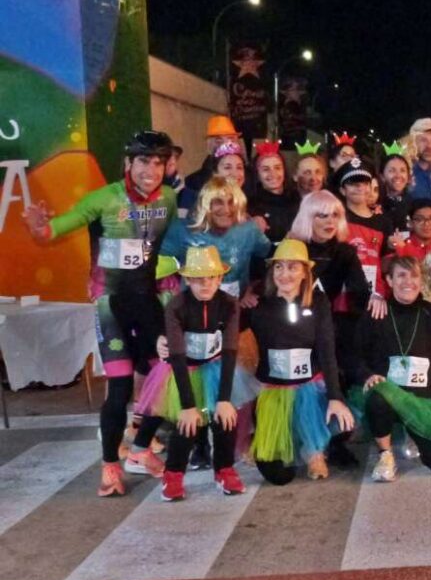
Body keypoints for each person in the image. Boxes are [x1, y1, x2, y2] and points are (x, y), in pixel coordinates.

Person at [22, 130, 178, 496]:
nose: (151, 170)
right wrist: (41, 228)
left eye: (158, 163)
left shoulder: (169, 199)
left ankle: (140, 450)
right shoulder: (104, 198)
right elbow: (58, 227)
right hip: (111, 304)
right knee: (120, 387)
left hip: (147, 301)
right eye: (144, 162)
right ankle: (110, 466)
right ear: (128, 163)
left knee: (166, 377)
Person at [135, 247, 256, 500]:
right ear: (188, 279)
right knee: (186, 424)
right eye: (198, 278)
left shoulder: (229, 304)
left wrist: (224, 399)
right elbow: (177, 354)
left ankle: (224, 469)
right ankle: (173, 474)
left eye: (211, 277)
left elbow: (230, 350)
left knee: (225, 418)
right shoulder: (176, 306)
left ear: (220, 278)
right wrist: (188, 406)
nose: (205, 284)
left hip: (216, 366)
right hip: (182, 369)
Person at [249, 240, 355, 484]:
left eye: (293, 267)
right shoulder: (259, 304)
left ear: (305, 273)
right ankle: (292, 440)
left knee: (341, 422)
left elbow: (327, 350)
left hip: (310, 386)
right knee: (278, 476)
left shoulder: (318, 302)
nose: (284, 274)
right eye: (279, 267)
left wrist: (335, 397)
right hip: (273, 390)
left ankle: (314, 449)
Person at [353, 256, 431, 482]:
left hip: (423, 400)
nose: (408, 281)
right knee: (377, 398)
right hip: (387, 397)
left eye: (414, 275)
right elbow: (354, 354)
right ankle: (385, 454)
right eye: (401, 275)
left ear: (421, 280)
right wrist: (367, 375)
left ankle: (412, 432)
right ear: (389, 280)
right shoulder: (376, 312)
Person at [287, 190, 375, 366]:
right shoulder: (291, 247)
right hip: (290, 325)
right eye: (322, 215)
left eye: (335, 215)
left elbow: (360, 292)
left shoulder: (345, 252)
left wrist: (375, 299)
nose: (330, 221)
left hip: (326, 326)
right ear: (308, 218)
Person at [161, 177, 271, 301]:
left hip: (235, 305)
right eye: (218, 202)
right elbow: (156, 261)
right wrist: (169, 289)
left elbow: (270, 257)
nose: (226, 209)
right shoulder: (182, 230)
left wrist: (254, 288)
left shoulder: (248, 229)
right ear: (205, 205)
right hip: (192, 306)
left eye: (231, 202)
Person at [247, 140, 301, 245]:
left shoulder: (297, 198)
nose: (273, 173)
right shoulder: (250, 205)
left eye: (277, 168)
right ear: (257, 174)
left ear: (284, 170)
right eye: (265, 169)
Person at [178, 140, 246, 213]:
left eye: (239, 168)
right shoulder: (200, 202)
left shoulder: (244, 200)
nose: (235, 174)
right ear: (215, 173)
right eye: (227, 167)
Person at [380, 147, 414, 231]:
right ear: (382, 176)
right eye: (392, 171)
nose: (398, 175)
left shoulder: (415, 205)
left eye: (402, 171)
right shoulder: (376, 205)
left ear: (408, 177)